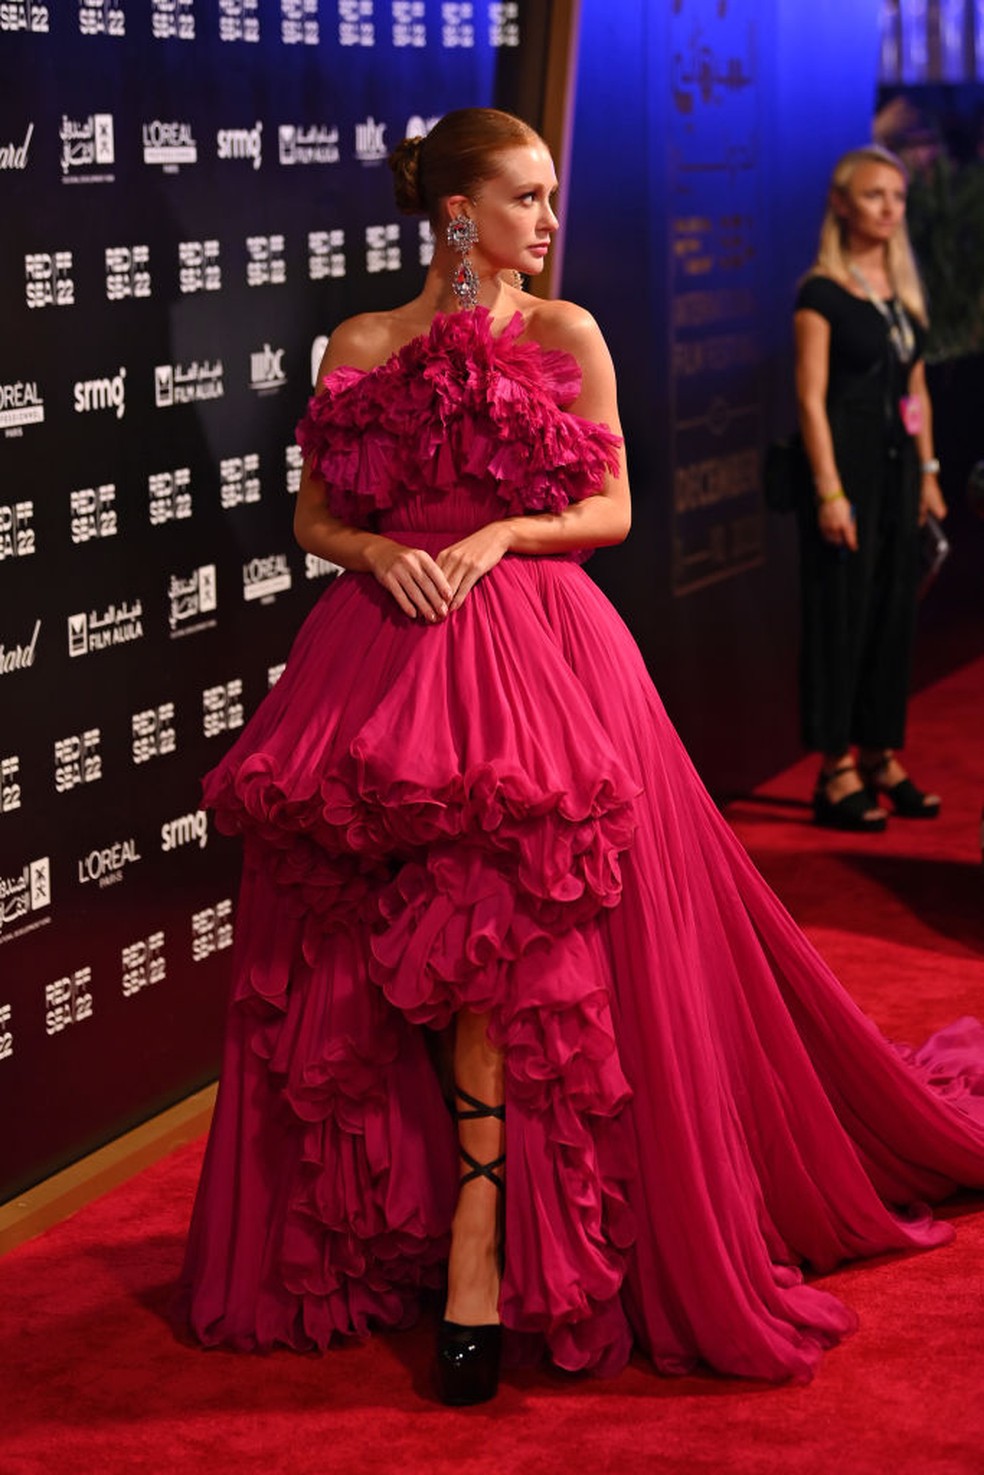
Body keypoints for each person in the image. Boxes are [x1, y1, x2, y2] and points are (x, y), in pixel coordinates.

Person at [180, 109, 984, 1405]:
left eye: (551, 197)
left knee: (506, 944)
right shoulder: (360, 345)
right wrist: (384, 552)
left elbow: (608, 507)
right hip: (379, 668)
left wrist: (499, 533)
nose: (550, 221)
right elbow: (315, 513)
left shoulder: (567, 334)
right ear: (453, 213)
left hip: (537, 671)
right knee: (351, 959)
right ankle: (386, 1222)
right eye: (526, 197)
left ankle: (482, 1249)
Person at [794, 144, 947, 831]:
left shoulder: (903, 292)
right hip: (846, 471)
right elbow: (810, 400)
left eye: (898, 197)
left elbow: (915, 388)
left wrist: (931, 470)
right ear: (842, 203)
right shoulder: (821, 292)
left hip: (899, 473)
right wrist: (829, 492)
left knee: (893, 616)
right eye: (875, 194)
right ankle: (835, 769)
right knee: (842, 617)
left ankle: (881, 753)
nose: (890, 208)